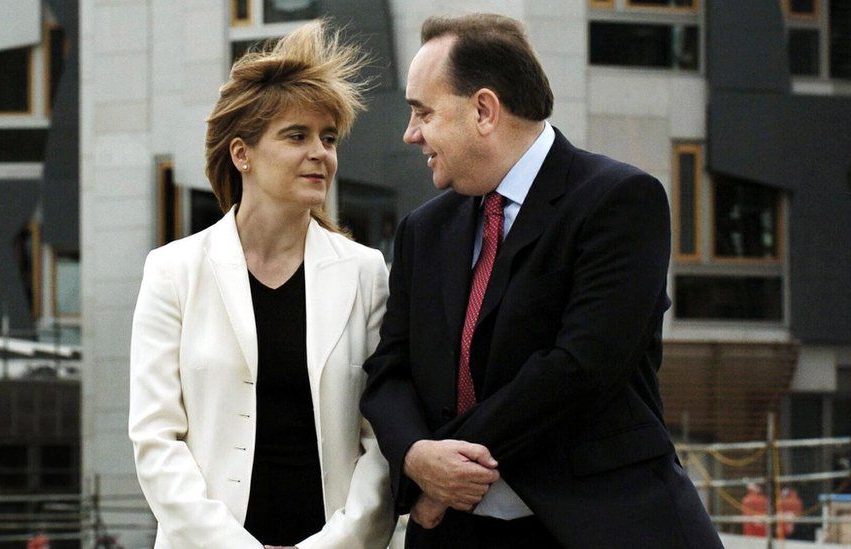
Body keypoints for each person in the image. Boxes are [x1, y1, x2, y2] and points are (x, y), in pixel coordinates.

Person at [360, 13, 723, 548]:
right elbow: (388, 371)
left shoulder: (620, 202)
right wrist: (417, 458)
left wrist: (447, 467)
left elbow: (579, 369)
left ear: (484, 110)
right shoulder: (423, 230)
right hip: (454, 536)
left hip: (597, 526)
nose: (411, 134)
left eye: (423, 112)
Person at [129, 21, 394, 549]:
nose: (320, 152)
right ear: (241, 154)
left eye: (329, 138)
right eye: (296, 135)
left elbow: (382, 442)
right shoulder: (174, 271)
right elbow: (156, 440)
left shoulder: (365, 272)